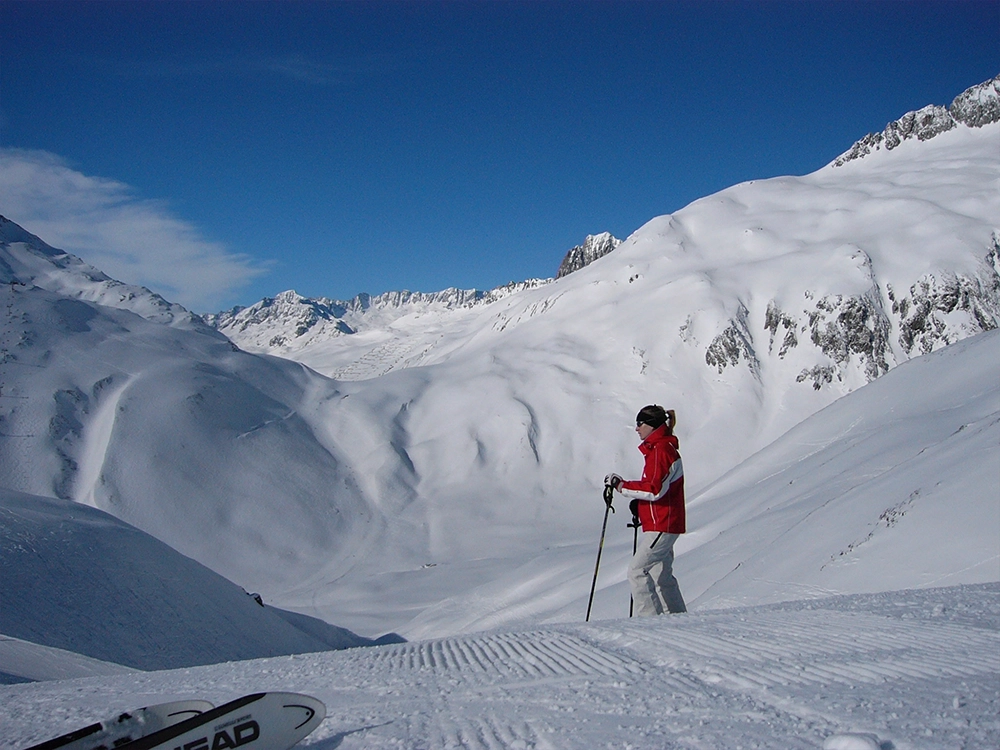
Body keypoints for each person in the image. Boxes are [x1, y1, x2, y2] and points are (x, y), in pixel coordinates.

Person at [605, 405, 687, 615]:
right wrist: (640, 504)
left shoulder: (660, 450)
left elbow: (654, 489)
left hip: (662, 523)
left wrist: (621, 486)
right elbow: (661, 489)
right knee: (662, 575)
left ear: (652, 425)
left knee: (637, 571)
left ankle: (650, 621)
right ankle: (678, 619)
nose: (637, 428)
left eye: (640, 423)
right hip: (664, 521)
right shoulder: (661, 448)